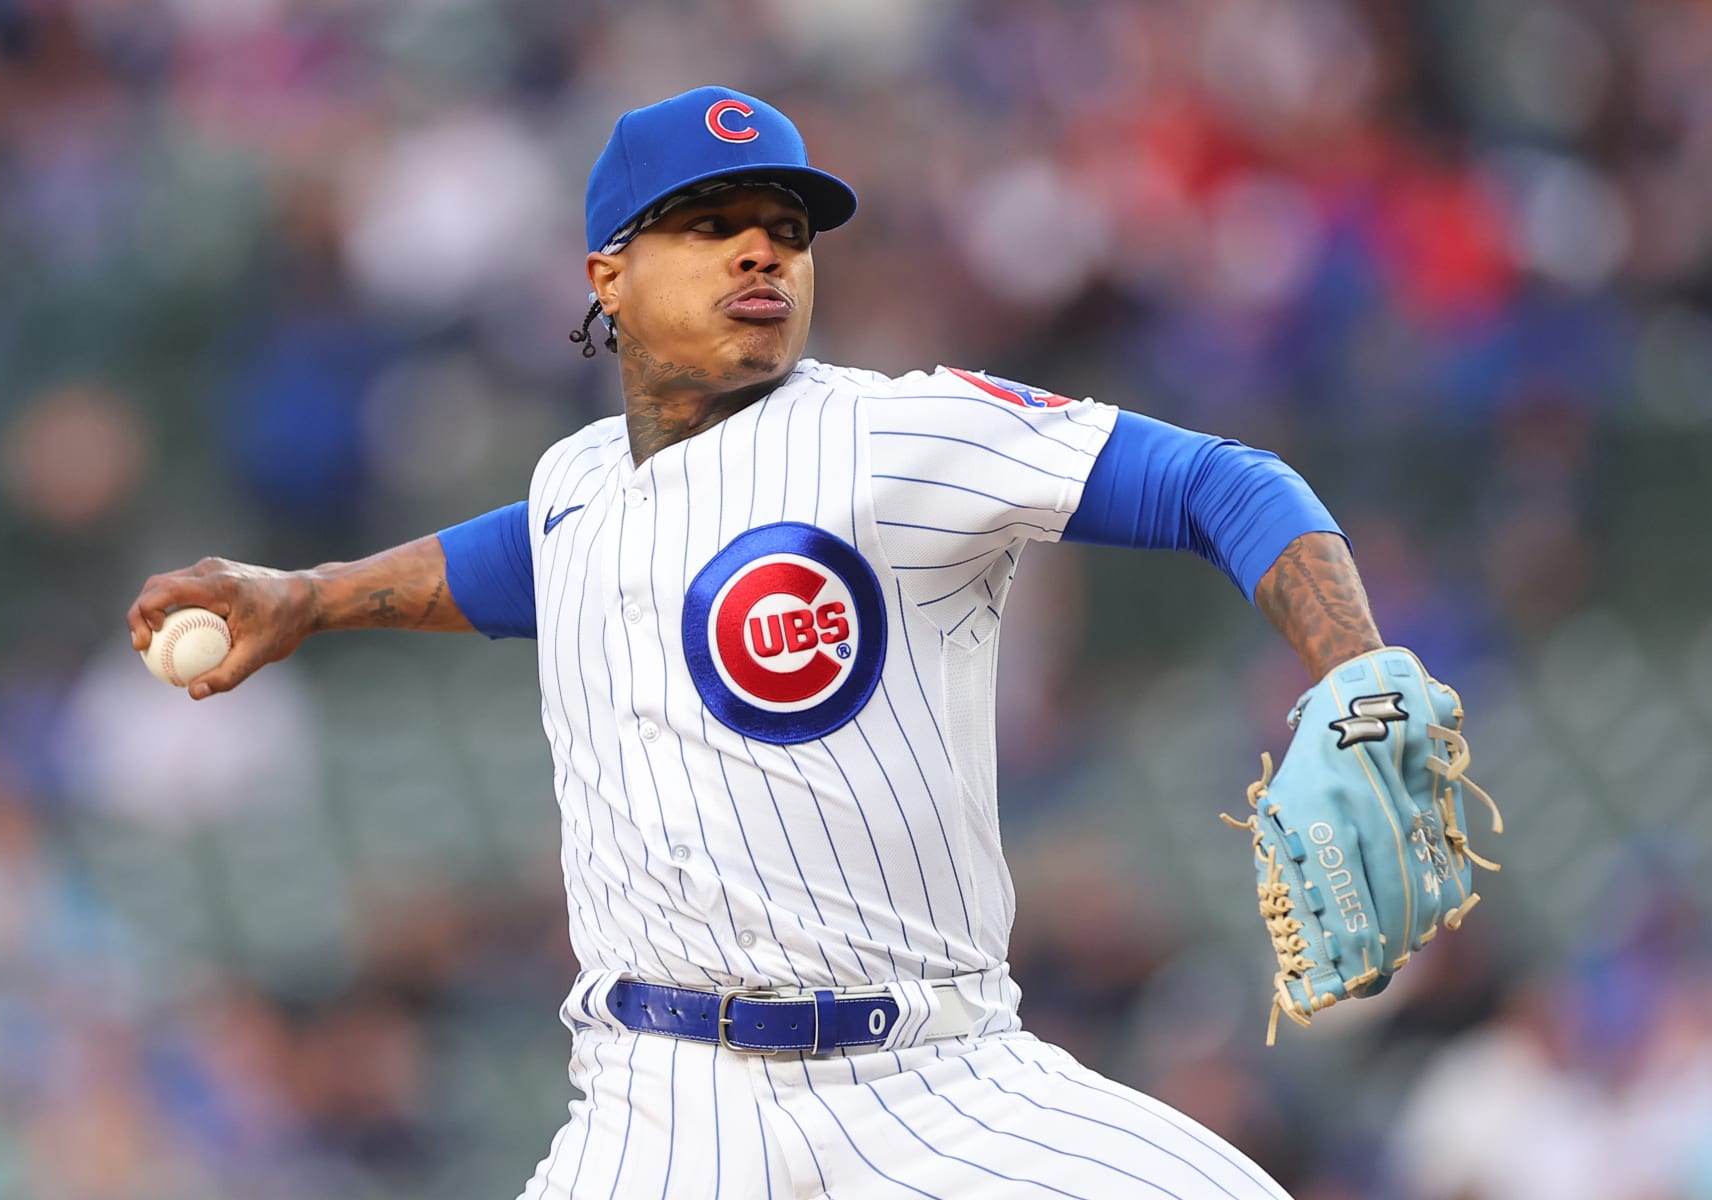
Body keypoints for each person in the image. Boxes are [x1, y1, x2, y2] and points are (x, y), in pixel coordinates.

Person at [130, 84, 1400, 1199]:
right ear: (606, 278)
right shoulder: (576, 482)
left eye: (787, 231)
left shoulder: (897, 437)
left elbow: (1224, 483)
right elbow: (524, 555)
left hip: (939, 1084)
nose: (762, 253)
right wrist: (309, 595)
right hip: (659, 1104)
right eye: (711, 223)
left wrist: (1355, 680)